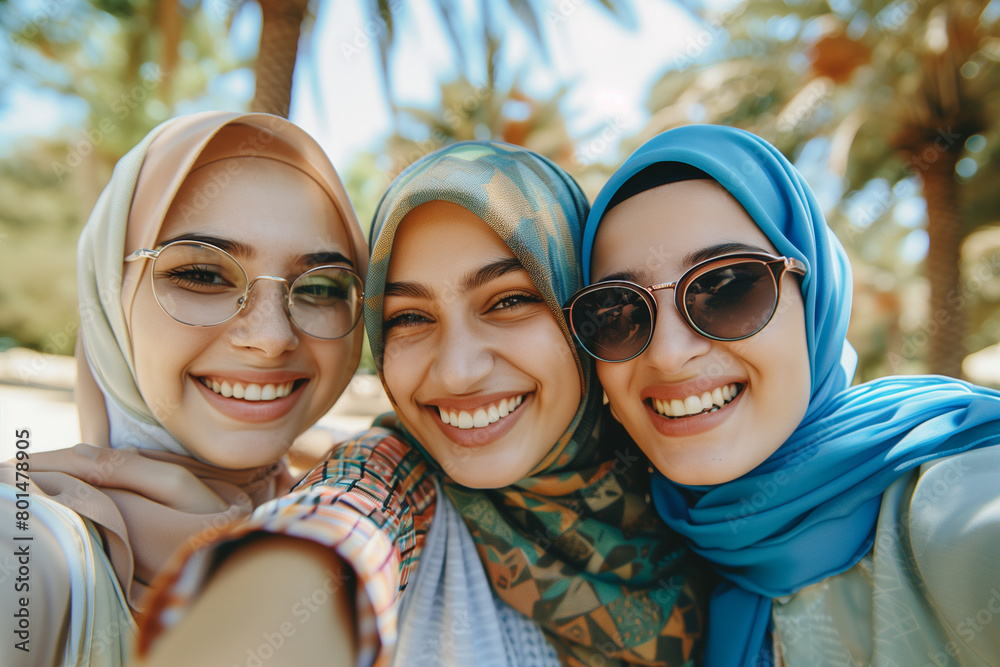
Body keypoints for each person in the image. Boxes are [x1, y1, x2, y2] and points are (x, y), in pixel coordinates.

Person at [139, 140, 705, 667]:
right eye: (408, 317)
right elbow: (351, 511)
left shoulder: (706, 496)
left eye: (509, 300)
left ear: (587, 313)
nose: (458, 372)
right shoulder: (396, 477)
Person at [562, 123, 1000, 666]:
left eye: (729, 287)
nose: (669, 354)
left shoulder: (952, 501)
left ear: (817, 300)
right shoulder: (663, 549)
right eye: (615, 312)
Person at [0, 110, 368, 666]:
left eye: (319, 286)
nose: (271, 338)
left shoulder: (349, 513)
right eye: (201, 275)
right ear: (109, 294)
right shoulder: (32, 544)